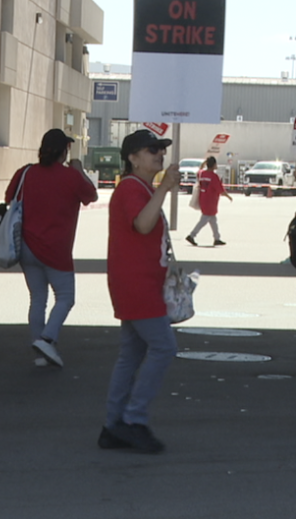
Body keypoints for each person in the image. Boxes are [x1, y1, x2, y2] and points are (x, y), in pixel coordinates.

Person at [100, 129, 178, 454]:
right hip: (137, 285)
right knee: (163, 348)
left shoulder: (141, 188)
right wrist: (164, 188)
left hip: (139, 283)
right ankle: (133, 419)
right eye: (151, 150)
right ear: (132, 157)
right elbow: (143, 224)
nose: (159, 154)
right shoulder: (132, 188)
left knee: (131, 355)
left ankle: (113, 424)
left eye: (160, 149)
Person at [5, 129, 98, 368]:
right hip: (57, 248)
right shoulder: (71, 177)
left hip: (26, 245)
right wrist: (79, 170)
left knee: (37, 298)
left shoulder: (26, 172)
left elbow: (9, 196)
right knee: (65, 297)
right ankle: (47, 339)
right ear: (65, 150)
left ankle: (40, 352)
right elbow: (91, 195)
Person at [185, 156, 231, 246]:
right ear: (214, 165)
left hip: (203, 199)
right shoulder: (214, 176)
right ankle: (192, 235)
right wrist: (228, 196)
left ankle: (217, 238)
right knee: (205, 219)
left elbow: (199, 171)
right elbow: (220, 190)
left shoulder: (202, 174)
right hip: (211, 201)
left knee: (213, 220)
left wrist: (203, 164)